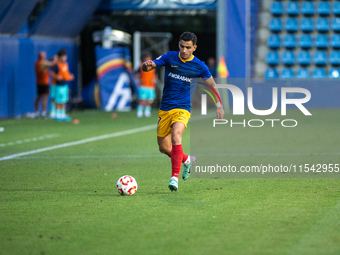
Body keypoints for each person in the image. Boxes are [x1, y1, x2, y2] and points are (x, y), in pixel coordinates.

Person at [142, 32, 224, 191]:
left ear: (194, 48)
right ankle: (187, 160)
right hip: (165, 108)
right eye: (182, 46)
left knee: (176, 136)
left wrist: (219, 104)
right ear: (178, 45)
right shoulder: (170, 57)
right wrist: (146, 66)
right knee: (164, 148)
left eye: (188, 47)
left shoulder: (199, 66)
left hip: (183, 108)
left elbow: (212, 84)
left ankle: (174, 178)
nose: (184, 50)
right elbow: (150, 66)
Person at [49, 49, 74, 122]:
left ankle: (62, 114)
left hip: (65, 85)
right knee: (57, 100)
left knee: (64, 100)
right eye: (63, 56)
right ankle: (57, 114)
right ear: (60, 57)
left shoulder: (66, 64)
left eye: (65, 56)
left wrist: (70, 76)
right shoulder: (57, 65)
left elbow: (66, 74)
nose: (65, 58)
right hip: (58, 85)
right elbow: (51, 73)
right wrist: (57, 77)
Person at [33, 51, 56, 118]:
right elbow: (52, 64)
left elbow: (46, 62)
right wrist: (55, 59)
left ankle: (36, 112)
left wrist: (51, 59)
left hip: (38, 83)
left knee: (39, 97)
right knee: (45, 97)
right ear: (42, 56)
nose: (45, 55)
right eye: (44, 55)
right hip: (44, 83)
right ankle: (43, 112)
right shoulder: (43, 62)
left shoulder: (37, 62)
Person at [137, 53, 157, 118]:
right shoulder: (141, 66)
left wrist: (154, 80)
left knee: (150, 99)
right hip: (143, 85)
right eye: (147, 58)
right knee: (142, 98)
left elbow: (155, 74)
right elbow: (136, 73)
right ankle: (139, 111)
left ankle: (147, 111)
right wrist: (139, 79)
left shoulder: (153, 66)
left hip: (151, 86)